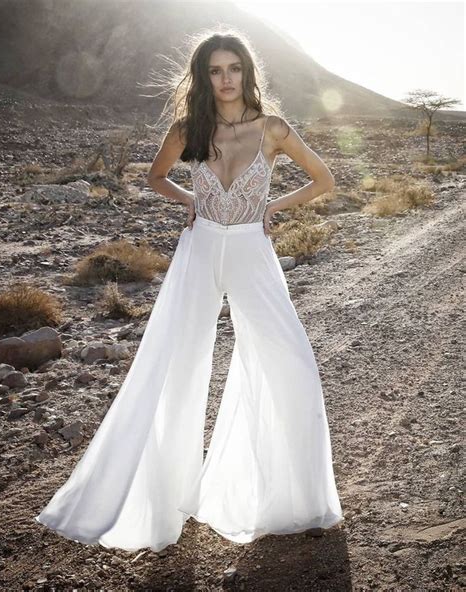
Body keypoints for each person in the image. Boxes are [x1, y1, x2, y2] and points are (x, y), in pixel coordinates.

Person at [34, 30, 343, 553]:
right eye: (215, 71)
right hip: (198, 253)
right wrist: (188, 201)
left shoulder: (273, 129)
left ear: (248, 73)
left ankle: (295, 500)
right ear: (204, 77)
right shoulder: (187, 129)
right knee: (174, 370)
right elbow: (156, 176)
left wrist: (272, 208)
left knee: (292, 364)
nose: (225, 80)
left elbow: (324, 179)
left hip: (251, 254)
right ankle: (160, 506)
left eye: (234, 69)